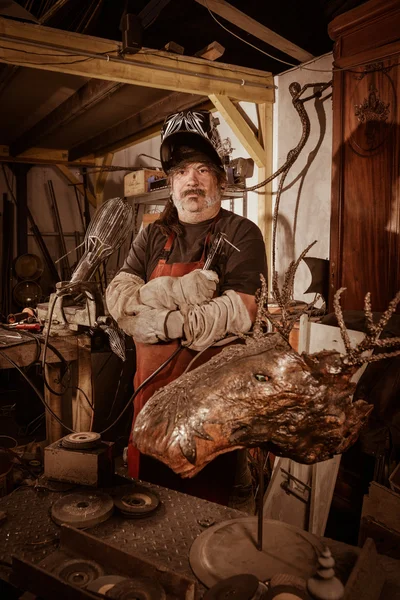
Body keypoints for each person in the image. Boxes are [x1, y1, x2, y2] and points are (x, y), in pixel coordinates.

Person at [106, 109, 268, 509]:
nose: (190, 180)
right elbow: (118, 296)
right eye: (180, 172)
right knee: (146, 509)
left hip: (210, 412)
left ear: (218, 178)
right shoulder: (153, 234)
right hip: (150, 404)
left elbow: (241, 312)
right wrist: (174, 298)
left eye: (200, 169)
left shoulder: (241, 234)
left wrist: (157, 319)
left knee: (206, 519)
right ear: (171, 183)